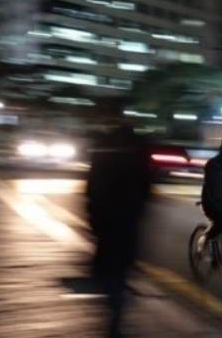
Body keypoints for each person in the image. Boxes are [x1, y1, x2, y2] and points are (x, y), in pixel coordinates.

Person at [85, 123, 150, 338]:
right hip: (128, 219)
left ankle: (111, 298)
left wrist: (93, 216)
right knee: (121, 265)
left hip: (106, 218)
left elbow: (92, 188)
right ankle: (116, 309)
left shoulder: (104, 154)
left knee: (107, 262)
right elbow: (146, 188)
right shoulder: (138, 156)